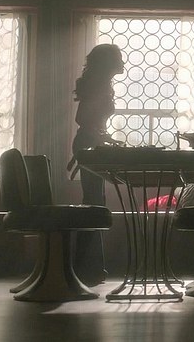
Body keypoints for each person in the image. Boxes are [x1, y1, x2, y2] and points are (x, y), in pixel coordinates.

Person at [69, 43, 125, 285]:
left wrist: (105, 137)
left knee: (94, 203)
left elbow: (91, 122)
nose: (123, 62)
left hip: (90, 143)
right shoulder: (99, 85)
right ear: (108, 62)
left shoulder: (102, 84)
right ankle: (86, 267)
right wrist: (99, 137)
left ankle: (90, 266)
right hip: (88, 145)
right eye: (119, 58)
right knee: (94, 204)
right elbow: (82, 118)